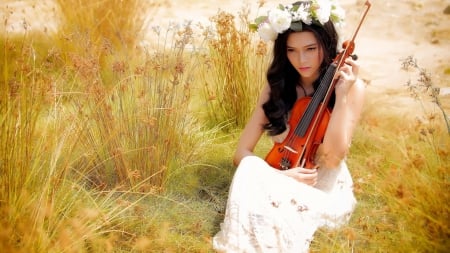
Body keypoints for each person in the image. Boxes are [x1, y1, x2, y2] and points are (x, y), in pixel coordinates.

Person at [212, 1, 365, 252]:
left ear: (326, 46)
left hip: (321, 186)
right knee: (250, 166)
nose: (301, 59)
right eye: (292, 50)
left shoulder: (352, 88)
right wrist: (281, 177)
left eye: (310, 48)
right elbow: (241, 154)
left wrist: (342, 96)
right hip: (283, 174)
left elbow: (333, 157)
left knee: (263, 198)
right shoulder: (278, 86)